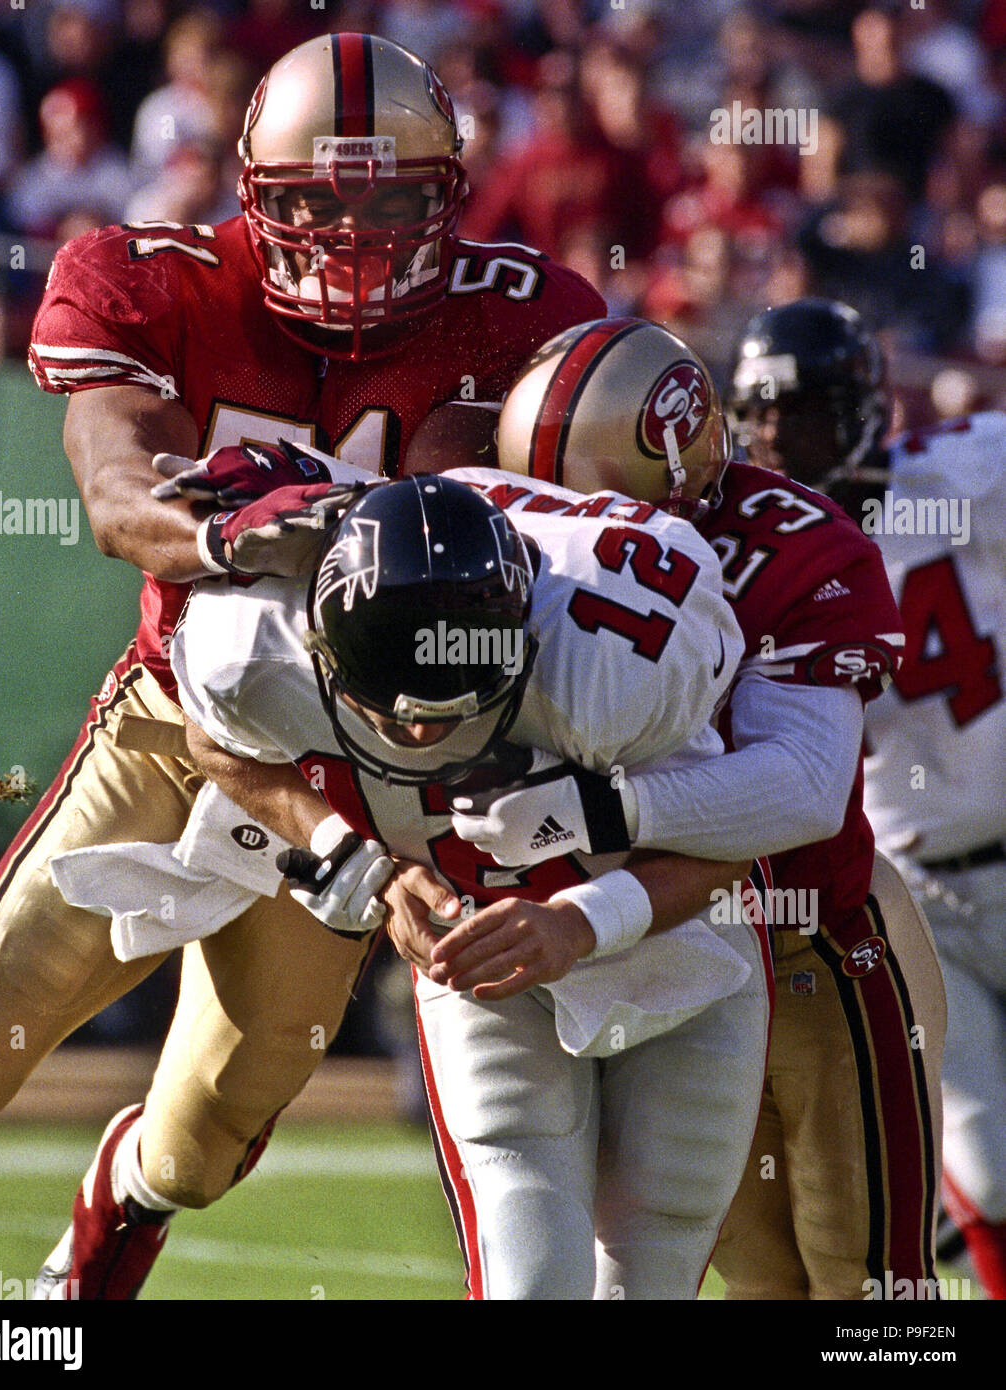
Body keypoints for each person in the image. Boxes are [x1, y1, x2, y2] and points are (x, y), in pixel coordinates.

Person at [0, 31, 606, 1301]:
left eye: (392, 204)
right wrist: (212, 531)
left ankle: (113, 1215)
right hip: (180, 722)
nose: (353, 242)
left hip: (367, 772)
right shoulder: (152, 281)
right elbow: (115, 483)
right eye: (315, 207)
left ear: (449, 199)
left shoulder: (528, 316)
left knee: (207, 1133)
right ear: (250, 194)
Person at [161, 470, 771, 1299]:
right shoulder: (252, 644)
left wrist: (582, 923)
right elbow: (218, 743)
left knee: (654, 1257)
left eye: (451, 709)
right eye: (392, 709)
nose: (417, 731)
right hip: (476, 945)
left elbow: (740, 836)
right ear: (321, 647)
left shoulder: (612, 658)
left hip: (670, 935)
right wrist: (356, 863)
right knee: (527, 1272)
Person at [478, 314, 946, 1299]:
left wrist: (597, 812)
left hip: (808, 933)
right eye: (537, 496)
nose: (560, 527)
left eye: (584, 497)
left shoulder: (794, 544)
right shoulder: (497, 533)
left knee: (867, 1278)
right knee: (750, 1275)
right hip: (650, 947)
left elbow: (803, 792)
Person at [728, 296, 1006, 1300]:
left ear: (860, 408)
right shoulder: (751, 555)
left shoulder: (968, 476)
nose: (775, 439)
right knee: (985, 1157)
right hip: (919, 884)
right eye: (758, 415)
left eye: (797, 414)